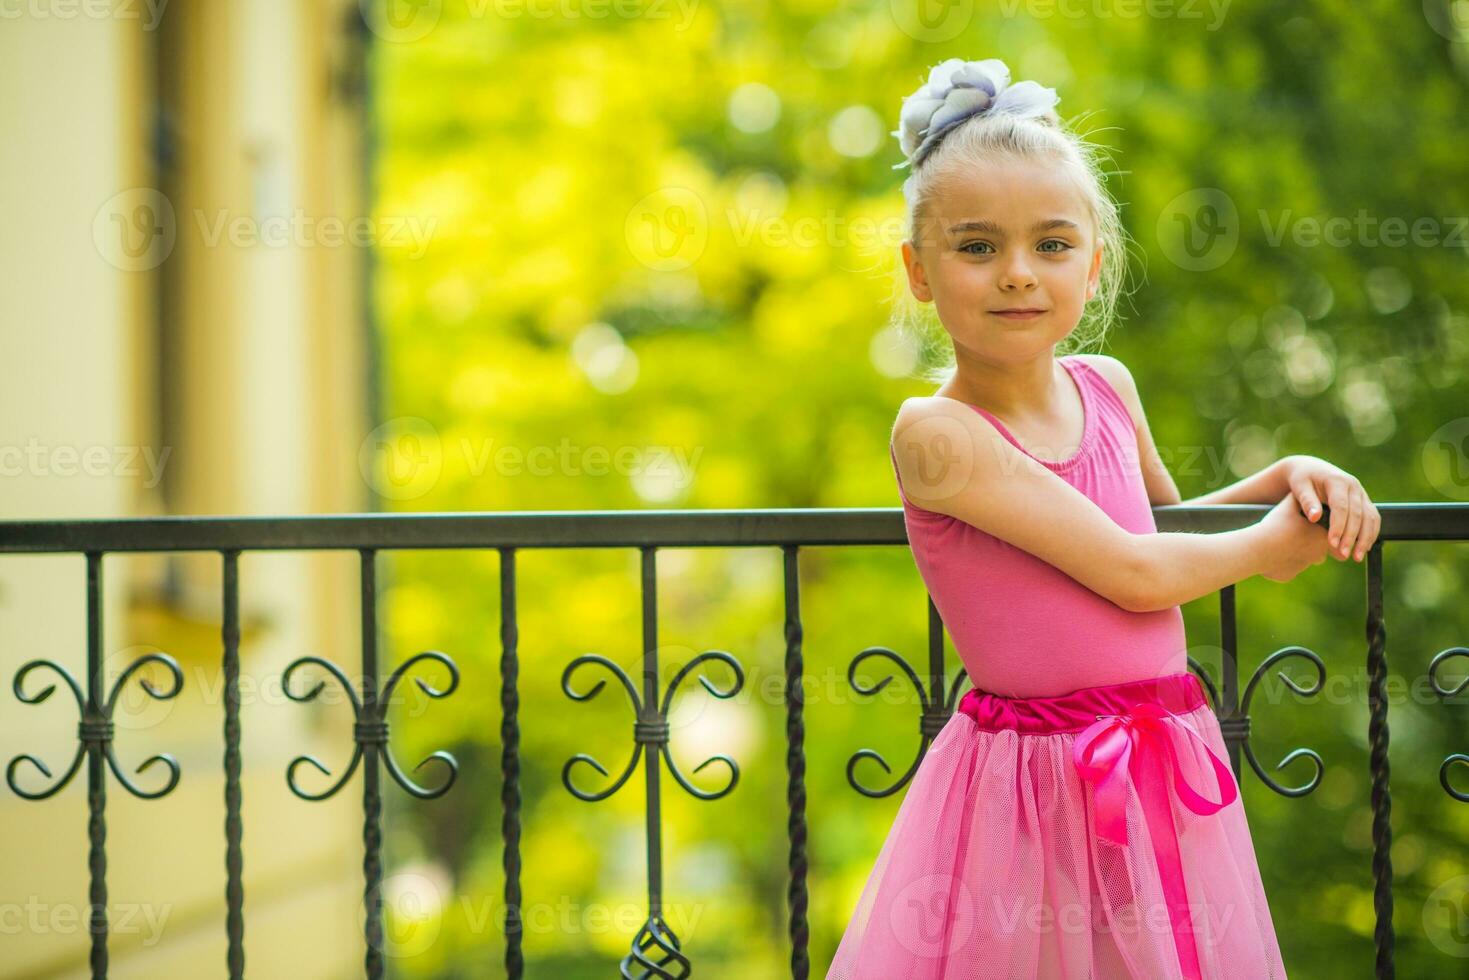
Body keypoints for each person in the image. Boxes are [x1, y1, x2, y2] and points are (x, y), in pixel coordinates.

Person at [826, 57, 1381, 980]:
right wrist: (1273, 548)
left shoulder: (1108, 388)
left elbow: (1161, 532)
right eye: (975, 248)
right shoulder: (937, 434)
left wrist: (1283, 476)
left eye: (1050, 245)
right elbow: (1131, 573)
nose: (1016, 275)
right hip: (1031, 786)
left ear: (1093, 262)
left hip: (1161, 756)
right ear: (918, 272)